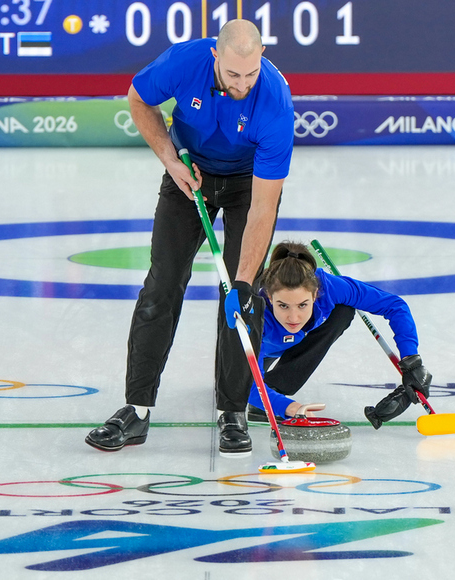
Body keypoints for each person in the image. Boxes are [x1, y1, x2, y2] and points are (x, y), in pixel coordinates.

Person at [86, 20, 294, 456]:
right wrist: (171, 160)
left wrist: (242, 281)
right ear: (216, 57)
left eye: (251, 74)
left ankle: (232, 412)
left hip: (245, 186)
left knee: (243, 299)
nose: (243, 84)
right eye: (233, 74)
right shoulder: (185, 60)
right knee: (161, 285)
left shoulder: (274, 102)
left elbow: (263, 206)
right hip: (187, 173)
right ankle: (136, 409)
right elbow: (140, 99)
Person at [244, 241, 432, 427]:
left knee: (344, 310)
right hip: (259, 348)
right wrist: (288, 406)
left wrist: (411, 359)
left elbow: (394, 306)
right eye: (283, 305)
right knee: (243, 380)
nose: (294, 316)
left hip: (294, 341)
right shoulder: (254, 314)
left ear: (316, 293)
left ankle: (276, 386)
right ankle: (267, 401)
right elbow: (249, 386)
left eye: (302, 305)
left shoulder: (331, 287)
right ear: (269, 297)